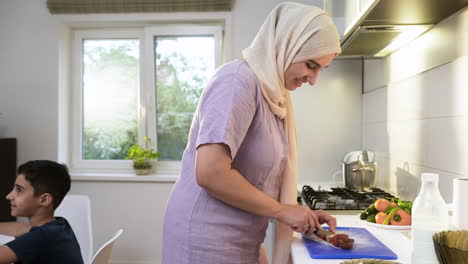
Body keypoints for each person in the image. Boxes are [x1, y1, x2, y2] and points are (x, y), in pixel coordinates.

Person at [162, 2, 341, 264]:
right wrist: (282, 212)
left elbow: (258, 181)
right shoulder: (237, 82)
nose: (313, 80)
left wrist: (301, 213)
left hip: (242, 237)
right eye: (310, 65)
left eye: (320, 70)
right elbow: (210, 171)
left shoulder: (276, 98)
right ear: (286, 45)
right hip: (205, 239)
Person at [0, 160, 84, 264]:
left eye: (19, 190)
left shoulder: (40, 238)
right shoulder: (59, 226)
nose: (9, 196)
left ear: (44, 200)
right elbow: (20, 228)